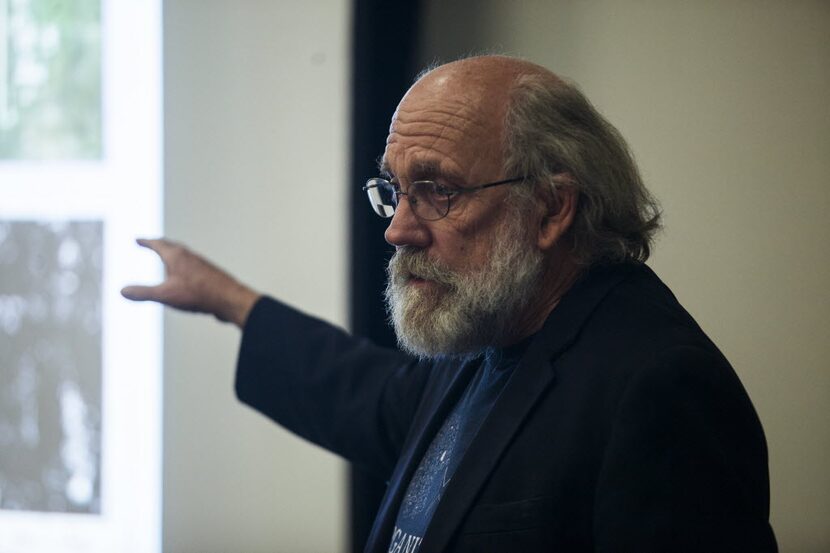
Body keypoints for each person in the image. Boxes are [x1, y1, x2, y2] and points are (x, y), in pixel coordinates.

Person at [122, 56, 777, 552]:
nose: (398, 228)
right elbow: (373, 397)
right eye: (395, 189)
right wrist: (230, 300)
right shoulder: (492, 324)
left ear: (551, 207)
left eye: (437, 190)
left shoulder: (660, 387)